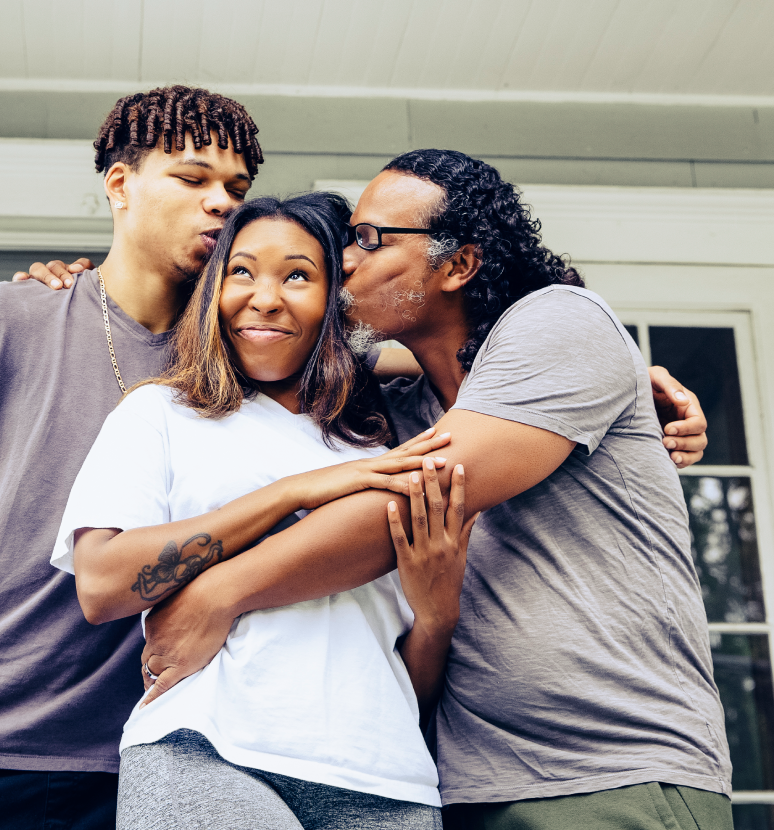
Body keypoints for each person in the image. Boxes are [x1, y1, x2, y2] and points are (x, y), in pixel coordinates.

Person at [109, 151, 735, 830]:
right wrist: (84, 290)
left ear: (459, 265)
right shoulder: (392, 410)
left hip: (610, 772)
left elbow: (410, 500)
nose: (345, 259)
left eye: (371, 239)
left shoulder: (560, 322)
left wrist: (218, 592)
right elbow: (259, 334)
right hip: (457, 782)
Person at [0, 86, 264, 830]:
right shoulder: (5, 318)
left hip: (154, 768)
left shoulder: (248, 363)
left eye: (237, 189)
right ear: (119, 185)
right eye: (193, 177)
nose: (222, 204)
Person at [53, 192, 469, 829]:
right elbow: (102, 584)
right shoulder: (161, 413)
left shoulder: (380, 442)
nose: (265, 297)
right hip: (208, 753)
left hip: (388, 778)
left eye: (298, 275)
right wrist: (292, 492)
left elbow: (394, 666)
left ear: (337, 298)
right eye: (240, 271)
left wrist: (438, 615)